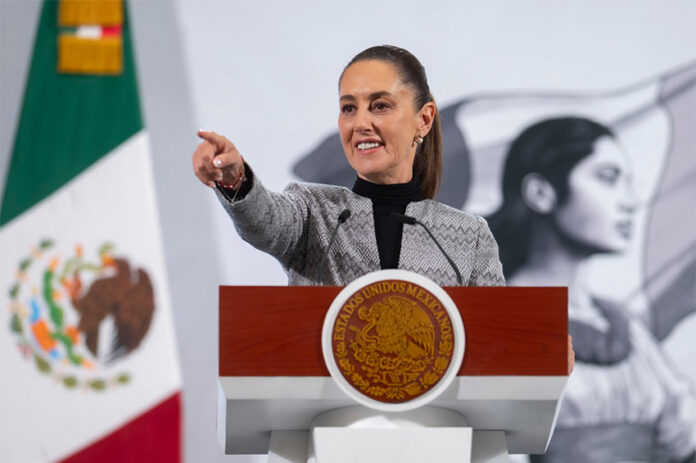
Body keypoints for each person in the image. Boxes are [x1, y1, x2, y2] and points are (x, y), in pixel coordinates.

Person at [192, 45, 505, 287]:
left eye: (380, 106)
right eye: (349, 108)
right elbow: (265, 223)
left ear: (423, 119)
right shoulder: (313, 215)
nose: (360, 123)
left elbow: (502, 346)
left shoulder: (468, 238)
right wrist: (235, 178)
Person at [488, 117, 696, 462]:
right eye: (607, 179)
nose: (630, 201)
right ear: (541, 193)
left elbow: (682, 434)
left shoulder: (623, 324)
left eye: (629, 183)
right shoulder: (492, 321)